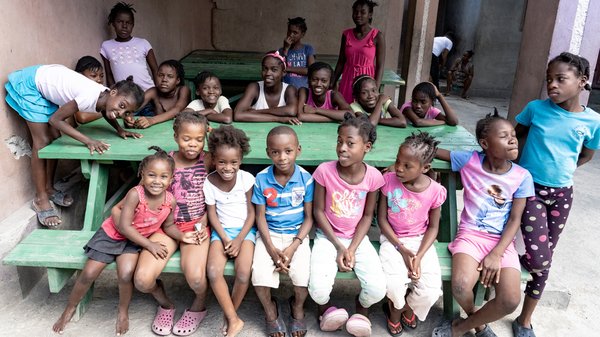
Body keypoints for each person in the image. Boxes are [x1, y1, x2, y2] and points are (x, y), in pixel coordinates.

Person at [51, 147, 199, 336]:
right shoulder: (135, 194)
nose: (157, 181)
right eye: (151, 175)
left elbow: (169, 227)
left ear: (171, 180)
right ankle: (69, 308)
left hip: (134, 242)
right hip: (113, 235)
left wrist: (183, 236)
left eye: (163, 177)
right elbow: (125, 226)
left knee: (126, 273)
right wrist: (149, 244)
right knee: (89, 273)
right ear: (142, 175)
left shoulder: (170, 201)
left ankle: (122, 312)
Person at [512, 52, 600, 337]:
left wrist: (561, 170)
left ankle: (524, 321)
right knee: (540, 258)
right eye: (549, 79)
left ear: (582, 82)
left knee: (545, 257)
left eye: (561, 79)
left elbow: (587, 154)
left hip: (562, 194)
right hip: (530, 189)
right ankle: (510, 271)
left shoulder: (592, 121)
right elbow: (512, 137)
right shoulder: (536, 109)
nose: (552, 85)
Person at [431, 111, 534, 337]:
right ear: (485, 143)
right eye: (504, 135)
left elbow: (515, 219)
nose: (513, 139)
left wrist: (496, 254)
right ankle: (479, 323)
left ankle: (461, 326)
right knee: (460, 285)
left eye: (513, 135)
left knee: (510, 299)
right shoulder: (470, 161)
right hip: (471, 236)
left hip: (502, 242)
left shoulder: (522, 176)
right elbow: (434, 152)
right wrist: (418, 146)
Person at [4, 64, 144, 227]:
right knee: (42, 142)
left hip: (44, 80)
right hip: (31, 84)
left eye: (126, 112)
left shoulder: (106, 95)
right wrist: (88, 141)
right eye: (122, 106)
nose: (120, 113)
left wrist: (119, 129)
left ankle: (49, 188)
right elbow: (55, 120)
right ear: (113, 92)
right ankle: (40, 198)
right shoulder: (89, 95)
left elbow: (106, 111)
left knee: (55, 137)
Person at [128, 112, 211, 336]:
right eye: (186, 138)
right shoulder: (166, 163)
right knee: (143, 280)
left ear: (205, 137)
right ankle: (165, 304)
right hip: (166, 228)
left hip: (197, 227)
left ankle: (199, 304)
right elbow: (141, 193)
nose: (193, 144)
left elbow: (222, 190)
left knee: (195, 277)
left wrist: (205, 222)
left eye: (199, 139)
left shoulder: (209, 159)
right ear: (175, 136)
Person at [308, 113, 386, 336]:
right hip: (327, 237)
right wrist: (339, 246)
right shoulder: (325, 171)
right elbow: (318, 211)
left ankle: (362, 309)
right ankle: (325, 310)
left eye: (350, 143)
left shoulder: (373, 177)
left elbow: (367, 216)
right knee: (318, 288)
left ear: (367, 147)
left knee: (377, 288)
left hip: (357, 239)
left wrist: (351, 248)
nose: (342, 148)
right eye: (339, 141)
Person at [378, 132, 446, 336]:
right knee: (394, 283)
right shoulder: (388, 181)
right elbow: (381, 220)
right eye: (398, 161)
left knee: (431, 290)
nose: (399, 168)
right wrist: (401, 248)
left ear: (425, 168)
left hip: (420, 241)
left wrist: (419, 256)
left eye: (407, 166)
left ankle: (407, 308)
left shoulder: (435, 191)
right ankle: (395, 311)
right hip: (392, 240)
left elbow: (433, 227)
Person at [251, 126, 314, 337]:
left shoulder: (306, 179)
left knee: (303, 277)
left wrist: (293, 246)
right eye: (275, 152)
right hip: (268, 234)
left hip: (297, 236)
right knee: (259, 276)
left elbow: (309, 218)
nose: (282, 157)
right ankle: (270, 311)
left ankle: (297, 307)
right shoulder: (261, 179)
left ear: (298, 150)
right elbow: (260, 217)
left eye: (288, 151)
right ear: (268, 152)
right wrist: (270, 249)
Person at [204, 125, 255, 337]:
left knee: (244, 273)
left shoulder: (246, 180)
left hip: (246, 233)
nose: (228, 167)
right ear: (214, 160)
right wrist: (225, 238)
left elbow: (252, 214)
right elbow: (212, 215)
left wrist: (239, 239)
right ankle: (234, 319)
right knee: (213, 272)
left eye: (234, 162)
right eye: (222, 162)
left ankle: (230, 314)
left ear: (241, 160)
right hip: (221, 233)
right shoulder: (209, 182)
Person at [333, 0, 385, 104]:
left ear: (370, 15)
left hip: (367, 82)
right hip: (347, 80)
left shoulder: (377, 36)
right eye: (355, 12)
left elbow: (380, 65)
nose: (358, 15)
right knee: (346, 111)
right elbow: (341, 62)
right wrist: (332, 82)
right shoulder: (346, 35)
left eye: (362, 12)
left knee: (364, 114)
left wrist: (375, 89)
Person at [101, 2, 158, 91]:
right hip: (126, 97)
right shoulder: (106, 46)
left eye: (128, 23)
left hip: (147, 92)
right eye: (120, 22)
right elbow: (109, 74)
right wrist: (113, 93)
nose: (124, 26)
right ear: (113, 23)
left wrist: (158, 93)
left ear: (133, 25)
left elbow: (155, 70)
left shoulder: (143, 43)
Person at [234, 51, 299, 124]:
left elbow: (291, 111)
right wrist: (278, 119)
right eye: (265, 69)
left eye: (274, 70)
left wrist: (256, 112)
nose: (268, 73)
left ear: (283, 72)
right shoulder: (254, 87)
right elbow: (238, 115)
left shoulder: (289, 89)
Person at [128, 60, 191, 128]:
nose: (164, 79)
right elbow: (135, 106)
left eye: (170, 76)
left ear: (177, 80)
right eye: (160, 75)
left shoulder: (183, 90)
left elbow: (177, 110)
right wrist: (128, 117)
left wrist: (151, 120)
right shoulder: (153, 91)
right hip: (158, 132)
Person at [279, 17, 315, 89]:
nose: (291, 35)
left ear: (302, 34)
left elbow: (312, 70)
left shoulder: (308, 49)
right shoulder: (281, 51)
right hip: (286, 89)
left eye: (295, 33)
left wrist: (288, 69)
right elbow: (280, 68)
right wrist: (286, 49)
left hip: (304, 90)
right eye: (289, 31)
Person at [74, 56, 106, 124]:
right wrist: (106, 112)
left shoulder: (97, 92)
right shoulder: (77, 90)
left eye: (101, 76)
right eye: (94, 76)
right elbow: (82, 117)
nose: (99, 80)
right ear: (80, 76)